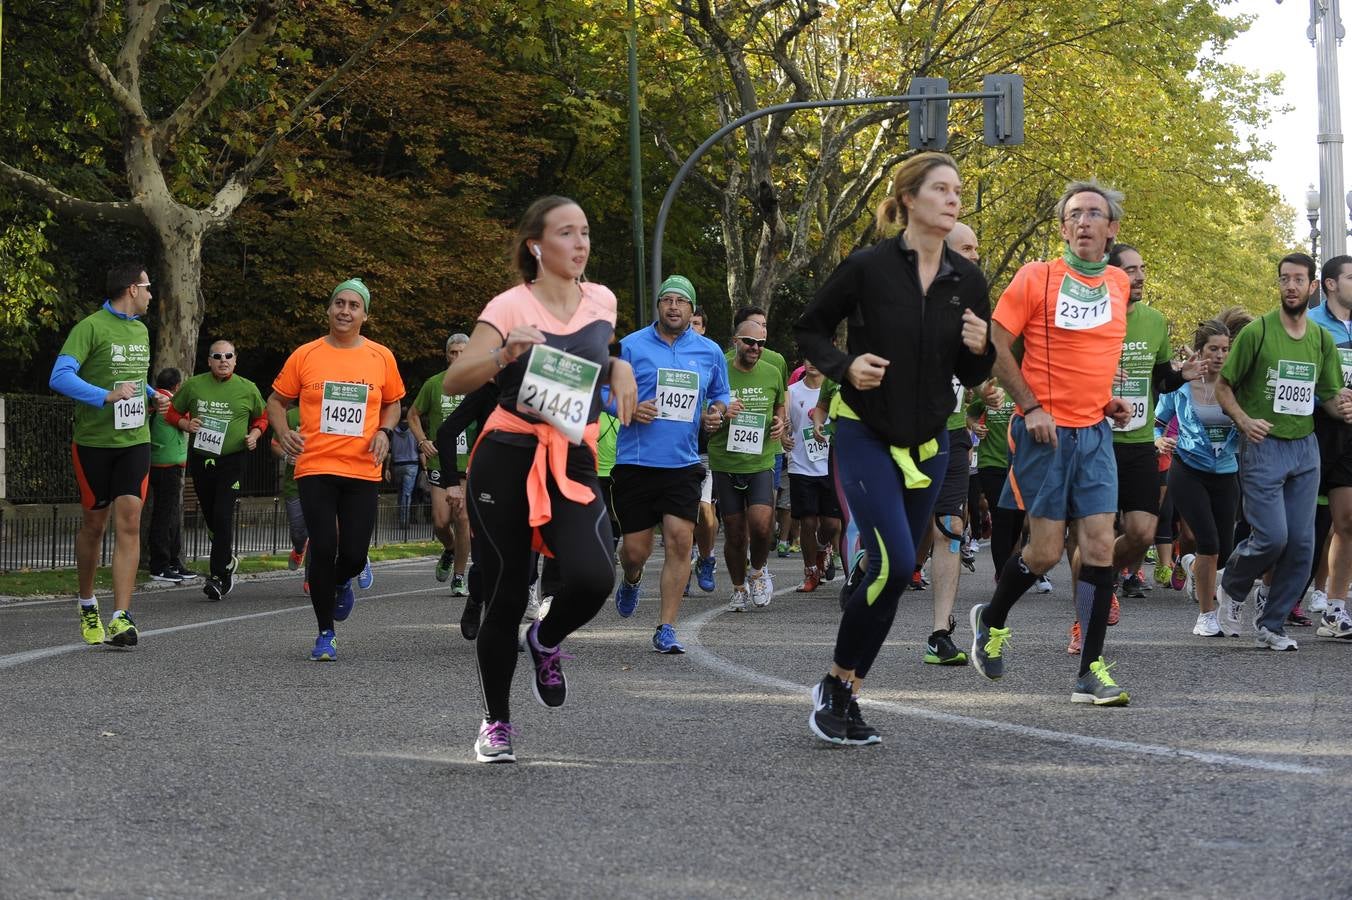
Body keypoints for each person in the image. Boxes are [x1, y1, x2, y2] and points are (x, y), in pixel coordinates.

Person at [797, 151, 994, 745]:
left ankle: (849, 688)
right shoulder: (867, 267)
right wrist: (843, 365)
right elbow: (810, 327)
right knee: (886, 564)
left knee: (900, 566)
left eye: (958, 189)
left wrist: (982, 347)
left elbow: (973, 371)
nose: (954, 198)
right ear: (909, 198)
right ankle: (835, 686)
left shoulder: (969, 280)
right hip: (863, 434)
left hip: (931, 443)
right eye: (941, 189)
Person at [444, 195, 637, 763]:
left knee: (595, 576)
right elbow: (457, 379)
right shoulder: (507, 305)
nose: (581, 244)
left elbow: (603, 352)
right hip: (506, 452)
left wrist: (620, 366)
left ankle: (546, 639)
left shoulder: (601, 299)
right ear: (537, 245)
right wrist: (504, 354)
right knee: (505, 592)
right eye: (567, 233)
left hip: (572, 453)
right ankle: (495, 722)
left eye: (585, 233)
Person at [968, 179, 1134, 706]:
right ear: (1063, 228)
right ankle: (990, 620)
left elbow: (1093, 356)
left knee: (1101, 546)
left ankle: (1091, 671)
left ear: (1111, 230)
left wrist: (1107, 400)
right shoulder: (1036, 277)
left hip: (1096, 434)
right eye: (1074, 215)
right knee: (1042, 553)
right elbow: (995, 344)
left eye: (1094, 214)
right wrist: (1032, 406)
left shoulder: (1118, 285)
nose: (1084, 222)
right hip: (1042, 432)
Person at [1213, 253, 1352, 649]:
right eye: (1284, 279)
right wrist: (1243, 420)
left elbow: (1326, 396)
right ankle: (1233, 587)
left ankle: (1272, 624)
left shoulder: (1320, 339)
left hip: (1305, 448)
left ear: (1311, 288)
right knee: (1272, 537)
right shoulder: (1257, 333)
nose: (1290, 286)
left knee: (1304, 544)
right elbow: (1224, 386)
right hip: (1263, 445)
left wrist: (1341, 405)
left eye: (1298, 280)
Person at [1065, 243, 1199, 652]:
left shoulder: (1156, 321)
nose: (1140, 276)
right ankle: (1084, 616)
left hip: (1139, 441)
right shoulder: (1090, 317)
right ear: (1111, 274)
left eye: (1143, 269)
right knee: (1092, 536)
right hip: (1093, 436)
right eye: (1131, 270)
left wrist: (1182, 375)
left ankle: (1103, 580)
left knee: (1141, 533)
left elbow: (1158, 379)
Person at [267, 277, 405, 661]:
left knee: (356, 554)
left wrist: (385, 431)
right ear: (328, 310)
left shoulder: (381, 356)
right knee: (323, 546)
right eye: (339, 303)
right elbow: (275, 401)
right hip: (316, 465)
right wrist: (283, 431)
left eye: (353, 305)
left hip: (362, 469)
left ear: (365, 314)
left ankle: (345, 580)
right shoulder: (306, 354)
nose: (345, 310)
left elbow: (393, 403)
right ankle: (325, 633)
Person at [610, 273, 730, 652]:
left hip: (682, 465)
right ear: (658, 306)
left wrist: (717, 412)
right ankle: (631, 579)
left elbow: (721, 393)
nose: (674, 306)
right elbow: (599, 390)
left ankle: (666, 627)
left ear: (692, 309)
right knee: (635, 551)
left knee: (681, 541)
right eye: (667, 300)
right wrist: (626, 406)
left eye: (681, 301)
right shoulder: (629, 346)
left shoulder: (709, 351)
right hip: (636, 463)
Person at [50, 262, 166, 647]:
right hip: (94, 444)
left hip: (135, 441)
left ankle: (121, 616)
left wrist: (153, 396)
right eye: (149, 287)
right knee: (95, 526)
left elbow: (134, 380)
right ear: (132, 289)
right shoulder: (90, 327)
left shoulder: (141, 330)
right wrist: (105, 396)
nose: (152, 295)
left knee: (130, 521)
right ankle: (87, 602)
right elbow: (60, 376)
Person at [1154, 320, 1238, 636]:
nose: (1219, 355)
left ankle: (1190, 566)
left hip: (1226, 472)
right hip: (1187, 470)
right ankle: (1206, 616)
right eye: (1213, 349)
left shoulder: (1236, 385)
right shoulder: (1184, 387)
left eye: (1225, 349)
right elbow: (1157, 422)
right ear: (1201, 352)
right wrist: (1158, 440)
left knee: (1225, 550)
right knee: (1209, 542)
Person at [166, 340, 267, 600]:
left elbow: (262, 418)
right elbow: (171, 414)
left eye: (228, 356)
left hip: (232, 460)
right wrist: (186, 425)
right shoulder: (193, 385)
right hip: (201, 459)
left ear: (235, 360)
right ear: (209, 361)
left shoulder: (248, 388)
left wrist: (254, 434)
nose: (223, 360)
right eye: (217, 356)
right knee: (211, 518)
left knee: (222, 515)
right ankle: (227, 559)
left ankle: (219, 575)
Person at [709, 318, 787, 611]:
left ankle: (758, 572)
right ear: (736, 342)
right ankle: (739, 587)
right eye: (750, 342)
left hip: (761, 460)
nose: (756, 348)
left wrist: (780, 421)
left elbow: (780, 402)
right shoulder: (720, 370)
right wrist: (720, 412)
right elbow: (706, 414)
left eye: (761, 344)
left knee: (761, 525)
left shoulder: (772, 370)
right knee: (735, 531)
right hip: (726, 459)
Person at [1308, 254, 1352, 640]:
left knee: (1347, 520)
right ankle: (1265, 594)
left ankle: (1335, 610)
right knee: (1296, 525)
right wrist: (1328, 401)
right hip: (1312, 430)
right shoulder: (1310, 324)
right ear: (1331, 284)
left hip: (1350, 433)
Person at [408, 333, 473, 595]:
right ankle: (449, 549)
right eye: (453, 353)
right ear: (446, 356)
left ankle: (459, 576)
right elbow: (413, 414)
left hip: (468, 463)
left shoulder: (478, 384)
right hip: (439, 462)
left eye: (462, 352)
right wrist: (422, 440)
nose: (457, 357)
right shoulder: (434, 384)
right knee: (440, 521)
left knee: (463, 518)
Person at [782, 359, 841, 593]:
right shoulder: (793, 392)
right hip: (801, 464)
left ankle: (822, 546)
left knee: (832, 524)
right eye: (808, 357)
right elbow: (785, 425)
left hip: (831, 464)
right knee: (807, 521)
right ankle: (810, 572)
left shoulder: (837, 389)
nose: (813, 362)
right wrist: (783, 437)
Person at [146, 367, 194, 583]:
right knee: (165, 516)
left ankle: (173, 561)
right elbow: (187, 420)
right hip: (169, 464)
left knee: (170, 514)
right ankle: (160, 564)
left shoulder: (155, 400)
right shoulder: (169, 403)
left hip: (157, 461)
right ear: (177, 385)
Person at [688, 308, 720, 592]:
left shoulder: (711, 358)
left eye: (697, 323)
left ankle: (706, 557)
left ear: (704, 328)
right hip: (677, 450)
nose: (692, 327)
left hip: (706, 450)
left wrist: (721, 411)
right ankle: (682, 565)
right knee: (681, 514)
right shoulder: (673, 359)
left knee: (704, 511)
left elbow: (723, 396)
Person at [270, 404, 309, 590]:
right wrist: (286, 456)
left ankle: (312, 579)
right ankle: (299, 548)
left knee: (318, 534)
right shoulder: (291, 415)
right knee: (298, 532)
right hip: (294, 484)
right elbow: (275, 444)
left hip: (321, 482)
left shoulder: (328, 411)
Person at [387, 413, 420, 528]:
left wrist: (387, 468)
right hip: (411, 464)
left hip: (397, 465)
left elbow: (389, 453)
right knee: (407, 494)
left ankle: (401, 517)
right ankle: (404, 521)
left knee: (401, 493)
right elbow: (420, 450)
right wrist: (425, 468)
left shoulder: (393, 431)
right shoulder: (414, 431)